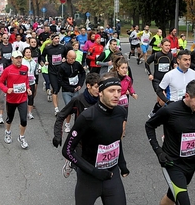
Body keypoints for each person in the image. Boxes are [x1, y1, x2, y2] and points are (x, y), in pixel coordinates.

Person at [145, 79, 195, 205]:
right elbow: (149, 126)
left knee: (172, 197)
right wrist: (158, 151)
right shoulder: (170, 110)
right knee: (183, 200)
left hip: (192, 162)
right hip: (172, 163)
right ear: (187, 96)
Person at [62, 72, 130, 205]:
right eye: (111, 91)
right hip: (89, 178)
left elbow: (116, 140)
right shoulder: (88, 117)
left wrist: (122, 163)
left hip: (112, 175)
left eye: (119, 91)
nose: (116, 95)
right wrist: (93, 171)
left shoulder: (121, 112)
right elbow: (67, 150)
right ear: (100, 93)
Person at [53, 73, 100, 177]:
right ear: (88, 86)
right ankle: (72, 163)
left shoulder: (101, 101)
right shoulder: (78, 100)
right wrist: (57, 135)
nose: (98, 90)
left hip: (95, 140)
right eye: (96, 87)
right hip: (80, 140)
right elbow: (61, 116)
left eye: (100, 87)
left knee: (93, 167)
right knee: (82, 170)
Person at [0, 51, 32, 149]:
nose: (19, 60)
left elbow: (26, 80)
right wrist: (6, 89)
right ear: (12, 58)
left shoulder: (25, 68)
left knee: (24, 119)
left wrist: (28, 88)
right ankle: (7, 132)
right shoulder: (7, 70)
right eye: (17, 58)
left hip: (22, 98)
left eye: (20, 57)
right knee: (9, 119)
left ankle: (21, 137)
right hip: (11, 99)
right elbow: (0, 82)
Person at [145, 38, 175, 118]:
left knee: (160, 99)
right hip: (157, 80)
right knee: (163, 98)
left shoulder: (171, 55)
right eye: (166, 45)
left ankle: (158, 112)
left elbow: (173, 66)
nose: (168, 47)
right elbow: (147, 63)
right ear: (161, 46)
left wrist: (175, 66)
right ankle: (153, 112)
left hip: (167, 81)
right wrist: (149, 74)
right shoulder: (156, 55)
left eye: (169, 45)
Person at [58, 50, 86, 132]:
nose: (73, 60)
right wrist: (70, 89)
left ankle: (77, 124)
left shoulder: (77, 64)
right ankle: (67, 124)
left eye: (74, 58)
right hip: (66, 91)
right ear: (67, 57)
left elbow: (83, 73)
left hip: (76, 89)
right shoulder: (62, 67)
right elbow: (60, 80)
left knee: (77, 108)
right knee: (69, 108)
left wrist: (80, 84)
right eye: (72, 58)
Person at [40, 33, 68, 115]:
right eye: (55, 39)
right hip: (52, 72)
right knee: (56, 89)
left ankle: (50, 92)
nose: (57, 40)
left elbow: (66, 55)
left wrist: (64, 59)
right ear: (52, 40)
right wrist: (45, 61)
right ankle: (56, 109)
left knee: (57, 88)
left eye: (58, 39)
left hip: (61, 71)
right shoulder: (48, 48)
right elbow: (42, 56)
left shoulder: (62, 47)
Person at [111, 56, 137, 137]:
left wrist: (133, 93)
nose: (125, 70)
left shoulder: (128, 79)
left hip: (123, 99)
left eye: (126, 68)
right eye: (122, 68)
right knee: (113, 116)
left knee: (124, 116)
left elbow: (130, 87)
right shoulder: (112, 77)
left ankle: (122, 132)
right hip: (114, 99)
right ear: (117, 68)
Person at [21, 47, 39, 120]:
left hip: (32, 82)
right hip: (23, 82)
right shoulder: (22, 61)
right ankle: (23, 111)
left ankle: (30, 113)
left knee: (31, 97)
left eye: (29, 52)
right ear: (24, 53)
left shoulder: (33, 62)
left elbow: (35, 71)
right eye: (27, 52)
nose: (28, 53)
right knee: (23, 97)